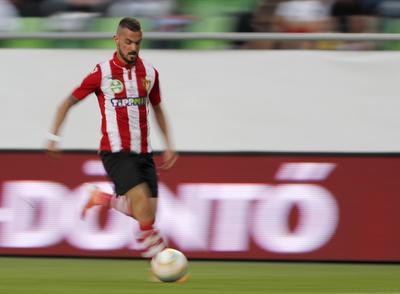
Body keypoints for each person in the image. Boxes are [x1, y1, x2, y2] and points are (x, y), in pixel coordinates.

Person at [46, 17, 177, 258]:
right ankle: (162, 260)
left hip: (144, 152)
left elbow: (157, 108)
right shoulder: (102, 73)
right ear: (116, 40)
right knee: (142, 209)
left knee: (147, 213)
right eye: (128, 42)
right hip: (115, 151)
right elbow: (67, 102)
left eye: (137, 43)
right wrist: (53, 136)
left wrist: (169, 145)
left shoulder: (150, 72)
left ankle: (101, 198)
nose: (133, 48)